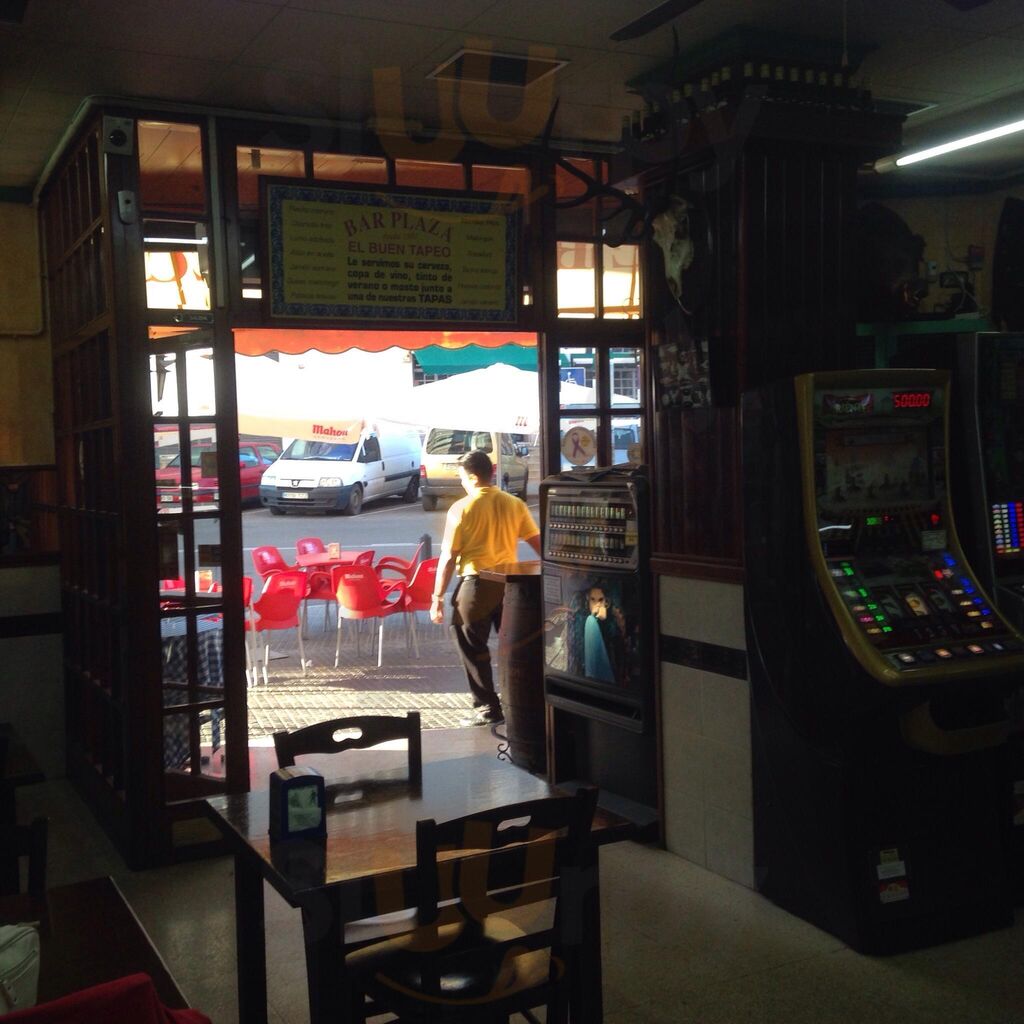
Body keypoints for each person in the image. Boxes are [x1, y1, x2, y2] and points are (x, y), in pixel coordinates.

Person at [430, 449, 541, 726]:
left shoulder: (462, 508)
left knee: (471, 646)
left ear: (473, 478)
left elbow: (448, 558)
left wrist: (437, 597)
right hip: (511, 588)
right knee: (513, 648)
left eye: (462, 478)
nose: (462, 483)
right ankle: (521, 703)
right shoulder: (515, 504)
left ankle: (487, 707)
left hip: (476, 587)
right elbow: (539, 545)